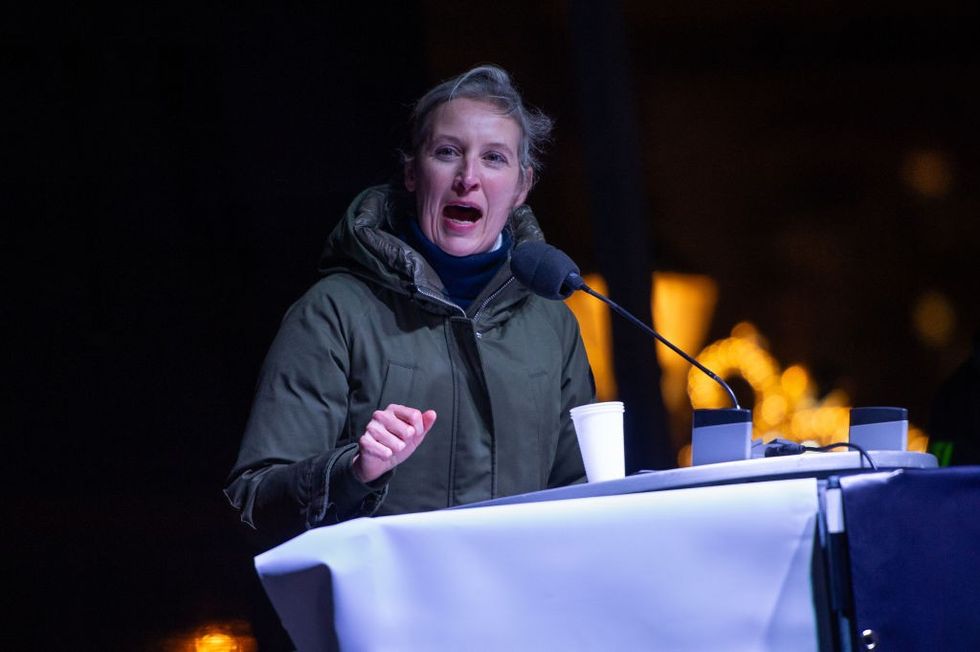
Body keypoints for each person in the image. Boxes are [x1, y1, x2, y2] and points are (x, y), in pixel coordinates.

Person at [224, 65, 595, 541]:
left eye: (494, 159)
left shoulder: (552, 324)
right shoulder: (334, 312)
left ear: (522, 188)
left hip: (519, 607)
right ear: (412, 173)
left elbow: (581, 492)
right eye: (447, 153)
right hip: (388, 610)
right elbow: (256, 499)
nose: (468, 178)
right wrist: (355, 471)